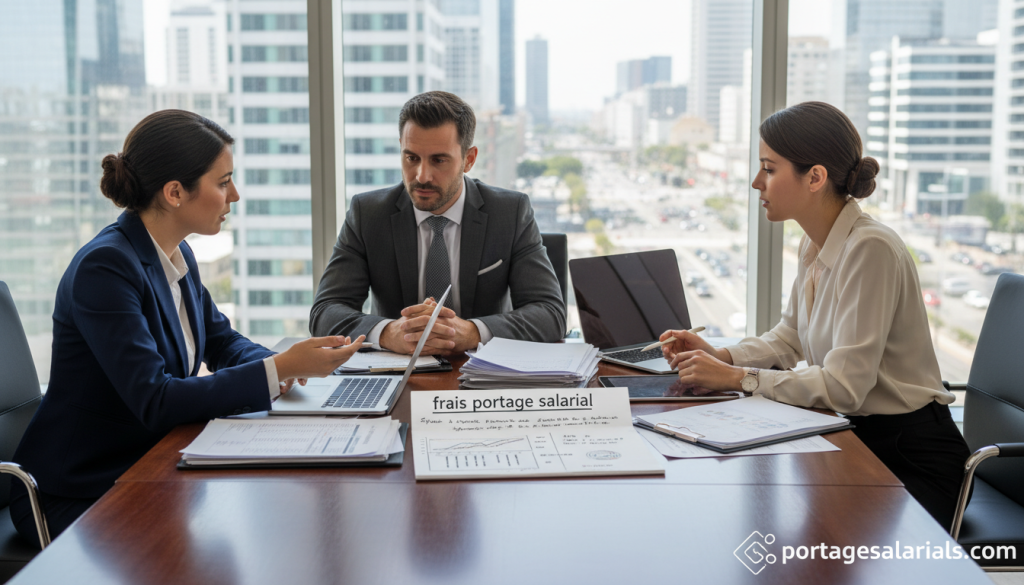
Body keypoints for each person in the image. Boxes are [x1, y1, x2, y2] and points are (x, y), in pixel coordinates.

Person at [10, 110, 364, 543]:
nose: (235, 194)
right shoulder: (104, 268)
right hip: (77, 492)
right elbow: (155, 399)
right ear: (175, 192)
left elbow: (220, 340)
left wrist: (281, 363)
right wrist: (275, 371)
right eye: (222, 182)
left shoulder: (175, 255)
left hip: (146, 464)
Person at [658, 101, 970, 530]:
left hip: (909, 456)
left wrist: (738, 379)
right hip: (855, 436)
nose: (756, 182)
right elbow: (789, 338)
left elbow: (845, 387)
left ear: (816, 177)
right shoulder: (816, 245)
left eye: (769, 169)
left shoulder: (870, 249)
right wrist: (723, 357)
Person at [310, 91, 566, 354]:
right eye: (411, 158)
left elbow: (550, 313)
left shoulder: (509, 213)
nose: (422, 176)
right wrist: (387, 333)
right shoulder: (368, 214)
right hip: (396, 374)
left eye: (438, 160)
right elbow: (325, 312)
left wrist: (473, 332)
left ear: (469, 159)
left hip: (483, 378)